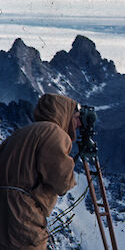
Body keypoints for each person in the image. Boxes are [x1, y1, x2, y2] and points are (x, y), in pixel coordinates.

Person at [0, 93, 82, 250]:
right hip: (23, 213)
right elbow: (62, 182)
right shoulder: (54, 133)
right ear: (64, 114)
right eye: (76, 117)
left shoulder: (19, 134)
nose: (78, 124)